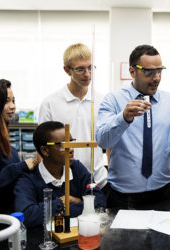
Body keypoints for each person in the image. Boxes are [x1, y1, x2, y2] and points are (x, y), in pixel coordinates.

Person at [96, 44, 170, 211]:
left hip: (161, 193)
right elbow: (103, 141)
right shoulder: (112, 100)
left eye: (159, 71)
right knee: (122, 239)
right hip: (123, 196)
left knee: (161, 238)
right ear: (132, 72)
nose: (156, 77)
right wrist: (123, 118)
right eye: (149, 72)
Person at [38, 43, 108, 192]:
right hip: (64, 184)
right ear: (67, 70)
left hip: (99, 182)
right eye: (80, 69)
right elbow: (41, 148)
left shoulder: (103, 101)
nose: (87, 74)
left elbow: (111, 142)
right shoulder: (50, 103)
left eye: (90, 68)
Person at [14, 121, 106, 228]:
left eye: (71, 142)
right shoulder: (28, 178)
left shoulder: (77, 168)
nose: (71, 149)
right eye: (63, 145)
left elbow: (99, 201)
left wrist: (52, 213)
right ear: (45, 150)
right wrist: (63, 202)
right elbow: (27, 216)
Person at [0, 79, 37, 214]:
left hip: (10, 216)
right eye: (6, 101)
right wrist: (21, 167)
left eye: (13, 101)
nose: (12, 106)